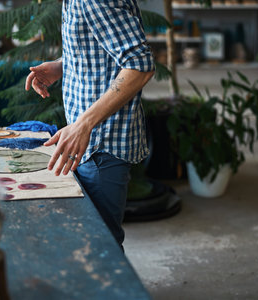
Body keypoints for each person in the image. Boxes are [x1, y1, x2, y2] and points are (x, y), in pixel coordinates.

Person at [25, 0, 155, 248]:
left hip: (99, 146)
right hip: (88, 144)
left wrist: (82, 125)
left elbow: (140, 65)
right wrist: (64, 65)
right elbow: (103, 47)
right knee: (91, 241)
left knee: (101, 247)